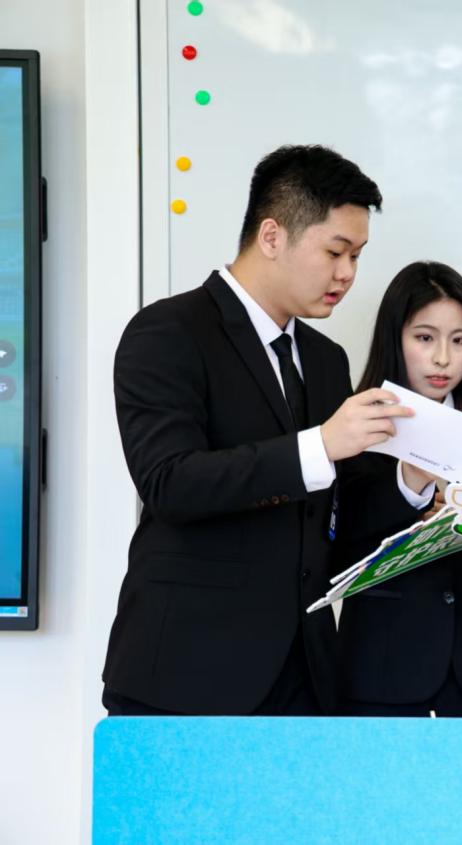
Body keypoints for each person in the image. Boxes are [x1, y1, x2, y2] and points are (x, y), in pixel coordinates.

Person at [102, 145, 412, 715]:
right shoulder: (167, 331)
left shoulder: (326, 359)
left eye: (357, 255)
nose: (347, 273)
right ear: (272, 236)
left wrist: (410, 485)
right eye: (335, 251)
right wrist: (319, 446)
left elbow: (334, 518)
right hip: (186, 675)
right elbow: (169, 483)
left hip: (306, 678)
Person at [335, 261, 462, 717]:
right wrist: (411, 481)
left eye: (460, 341)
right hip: (381, 671)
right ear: (394, 339)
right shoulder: (354, 426)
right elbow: (339, 547)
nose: (442, 359)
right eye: (425, 338)